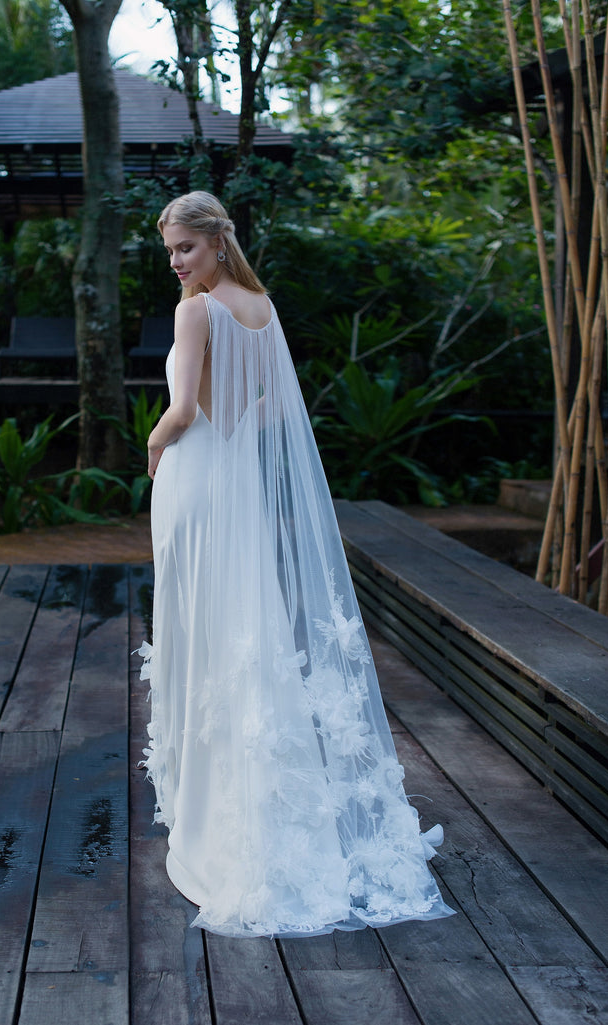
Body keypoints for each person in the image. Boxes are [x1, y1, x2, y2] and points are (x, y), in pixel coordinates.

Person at [138, 191, 455, 938]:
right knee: (244, 624)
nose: (177, 263)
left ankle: (218, 822)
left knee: (205, 626)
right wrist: (236, 432)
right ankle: (262, 805)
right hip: (239, 477)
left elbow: (181, 410)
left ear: (217, 241)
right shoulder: (261, 307)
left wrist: (154, 446)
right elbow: (276, 407)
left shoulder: (198, 310)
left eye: (186, 248)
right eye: (170, 252)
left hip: (193, 474)